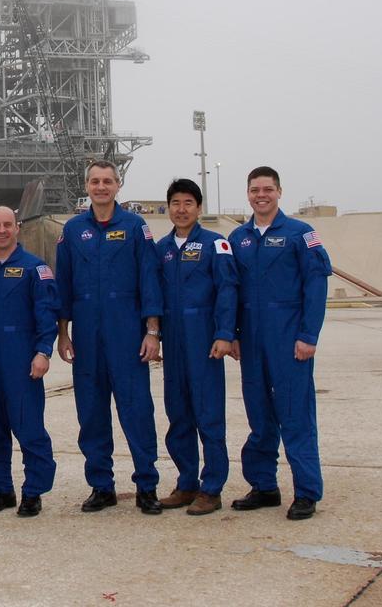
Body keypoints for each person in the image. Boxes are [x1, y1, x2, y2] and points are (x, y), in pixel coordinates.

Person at [55, 160, 165, 514]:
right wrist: (63, 333)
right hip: (86, 336)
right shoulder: (72, 231)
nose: (101, 187)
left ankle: (147, 484)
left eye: (107, 181)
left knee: (136, 410)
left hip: (127, 334)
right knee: (91, 413)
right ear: (86, 186)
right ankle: (101, 486)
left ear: (118, 186)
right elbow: (64, 287)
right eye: (94, 181)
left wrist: (152, 331)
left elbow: (150, 280)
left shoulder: (135, 227)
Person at [227, 166, 333, 521]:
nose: (261, 195)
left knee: (295, 415)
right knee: (259, 415)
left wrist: (308, 336)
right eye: (255, 189)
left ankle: (306, 491)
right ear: (248, 193)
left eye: (268, 189)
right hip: (252, 342)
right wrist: (234, 335)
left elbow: (316, 288)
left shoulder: (301, 234)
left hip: (289, 341)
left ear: (279, 192)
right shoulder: (238, 238)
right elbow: (232, 292)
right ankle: (264, 486)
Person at [0, 206, 59, 518]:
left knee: (28, 425)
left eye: (7, 225)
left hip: (22, 357)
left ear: (17, 228)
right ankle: (1, 489)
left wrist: (43, 352)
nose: (1, 230)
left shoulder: (36, 268)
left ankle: (33, 491)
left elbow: (47, 314)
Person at [155, 178, 239, 515]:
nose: (181, 209)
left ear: (199, 208)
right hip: (172, 341)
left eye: (188, 203)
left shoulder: (215, 245)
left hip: (204, 340)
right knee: (178, 415)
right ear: (169, 208)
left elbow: (228, 290)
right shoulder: (161, 249)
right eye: (175, 203)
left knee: (208, 414)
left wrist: (224, 333)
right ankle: (187, 482)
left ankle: (213, 487)